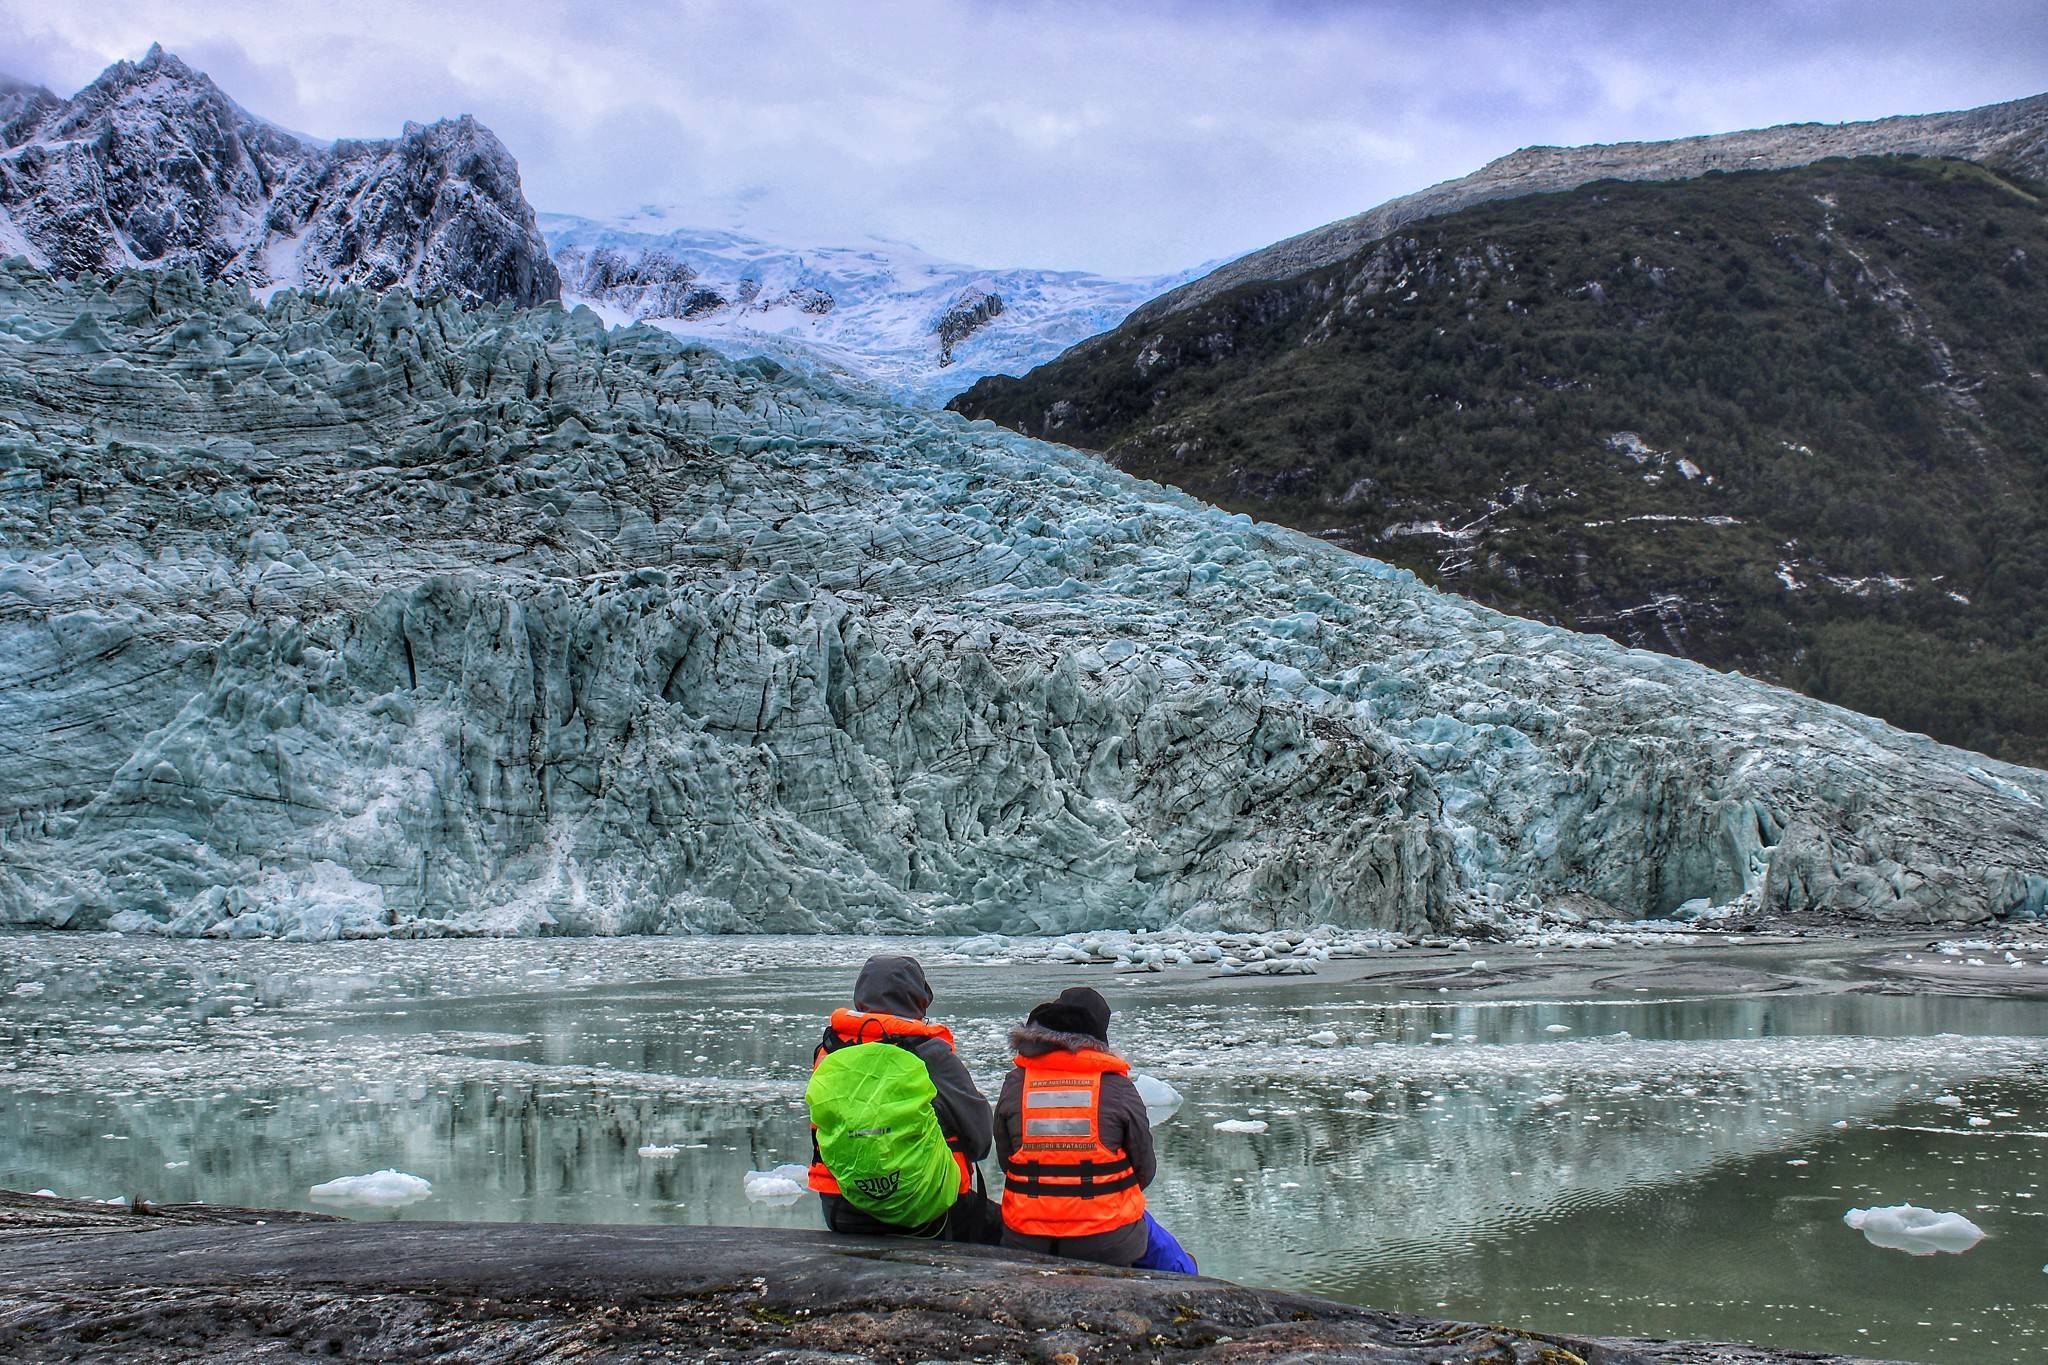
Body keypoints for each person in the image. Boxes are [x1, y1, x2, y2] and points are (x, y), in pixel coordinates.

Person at [995, 985, 1195, 1272]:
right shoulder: (1117, 1086)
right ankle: (1189, 1283)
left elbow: (1006, 1158)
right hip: (1106, 1241)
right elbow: (1144, 1169)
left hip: (1025, 1237)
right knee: (1160, 1245)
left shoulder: (1015, 1083)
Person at [805, 953, 1000, 1244]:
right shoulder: (928, 1053)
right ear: (919, 1000)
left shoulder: (830, 1050)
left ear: (861, 997)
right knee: (1004, 1229)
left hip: (842, 1207)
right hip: (926, 1208)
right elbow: (980, 1138)